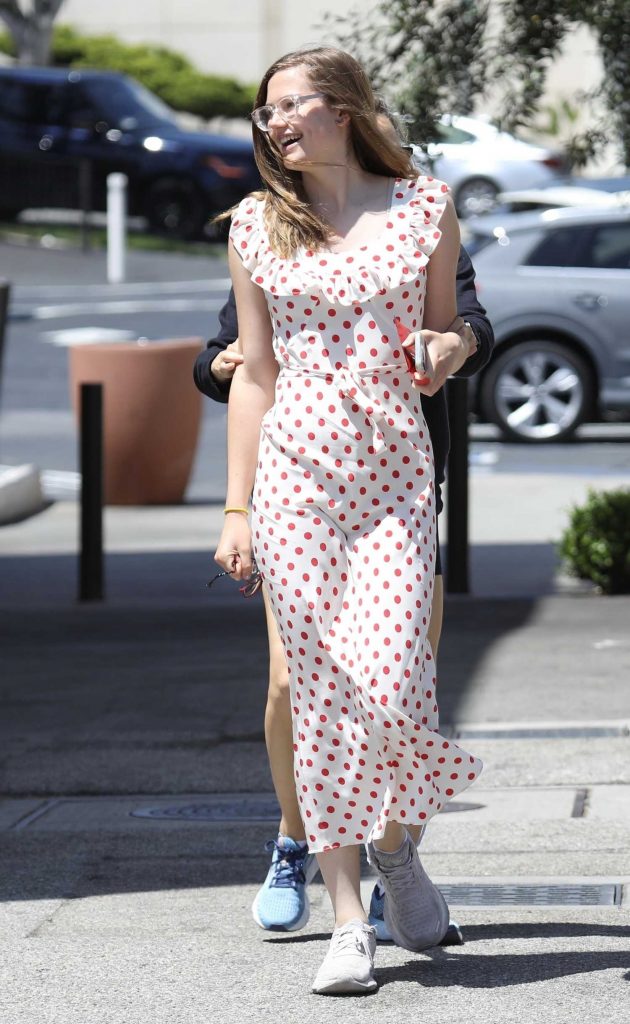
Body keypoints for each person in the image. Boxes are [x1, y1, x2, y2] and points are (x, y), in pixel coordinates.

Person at [213, 45, 484, 995]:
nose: (275, 124)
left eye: (291, 106)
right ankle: (346, 921)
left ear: (346, 107)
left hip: (396, 483)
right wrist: (238, 506)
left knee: (397, 680)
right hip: (295, 483)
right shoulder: (256, 225)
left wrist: (442, 353)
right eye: (265, 114)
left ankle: (398, 853)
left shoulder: (425, 208)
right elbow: (253, 372)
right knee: (323, 700)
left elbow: (448, 329)